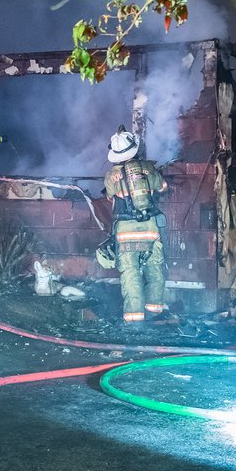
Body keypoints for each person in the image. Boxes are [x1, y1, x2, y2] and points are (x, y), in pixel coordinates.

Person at [103, 126, 169, 325]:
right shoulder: (149, 169)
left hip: (125, 234)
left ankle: (134, 322)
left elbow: (109, 198)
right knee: (155, 269)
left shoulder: (111, 176)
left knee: (131, 275)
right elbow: (163, 188)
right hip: (150, 229)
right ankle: (155, 312)